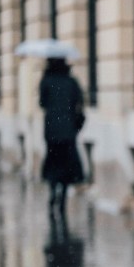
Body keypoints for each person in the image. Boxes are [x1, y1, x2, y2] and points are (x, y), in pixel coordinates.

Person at [39, 57, 85, 219]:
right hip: (68, 130)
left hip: (51, 130)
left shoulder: (46, 80)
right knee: (66, 164)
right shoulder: (71, 81)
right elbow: (80, 101)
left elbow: (42, 103)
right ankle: (63, 199)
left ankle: (53, 193)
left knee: (53, 162)